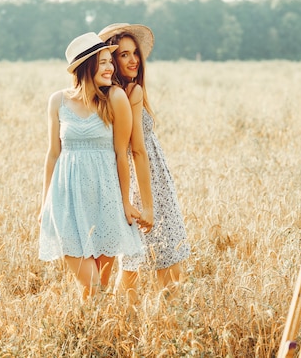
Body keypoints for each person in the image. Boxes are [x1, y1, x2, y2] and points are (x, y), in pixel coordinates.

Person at [38, 32, 151, 300]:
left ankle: (92, 337)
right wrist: (44, 204)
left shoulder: (115, 98)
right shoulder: (58, 101)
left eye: (109, 61)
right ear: (85, 67)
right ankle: (90, 331)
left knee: (96, 288)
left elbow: (121, 154)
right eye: (102, 63)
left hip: (105, 200)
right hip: (66, 201)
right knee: (93, 286)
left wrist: (124, 201)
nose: (110, 67)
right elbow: (53, 154)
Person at [99, 23, 191, 300]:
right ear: (112, 61)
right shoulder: (131, 93)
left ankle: (118, 327)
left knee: (133, 262)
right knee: (168, 256)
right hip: (149, 183)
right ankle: (173, 327)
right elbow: (138, 150)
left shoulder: (107, 95)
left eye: (134, 53)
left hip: (129, 183)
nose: (133, 60)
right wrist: (148, 205)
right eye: (124, 55)